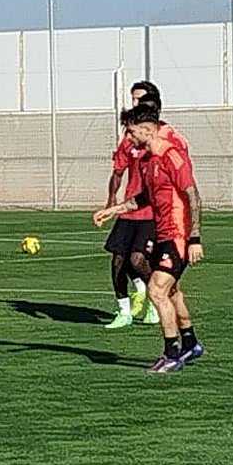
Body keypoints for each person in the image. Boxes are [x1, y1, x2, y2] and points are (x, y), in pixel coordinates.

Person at [93, 103, 204, 373]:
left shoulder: (171, 156)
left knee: (156, 290)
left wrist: (195, 238)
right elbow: (143, 199)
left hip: (177, 235)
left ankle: (171, 353)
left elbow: (193, 195)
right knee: (171, 291)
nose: (128, 139)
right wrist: (113, 209)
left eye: (131, 133)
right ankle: (190, 343)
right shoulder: (147, 161)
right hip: (161, 232)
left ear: (147, 130)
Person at [102, 81, 173, 328]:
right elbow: (118, 170)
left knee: (137, 259)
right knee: (118, 261)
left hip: (152, 212)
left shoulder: (165, 137)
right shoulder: (129, 138)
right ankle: (124, 312)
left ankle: (154, 300)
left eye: (140, 100)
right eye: (133, 100)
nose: (135, 104)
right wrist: (111, 202)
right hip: (129, 209)